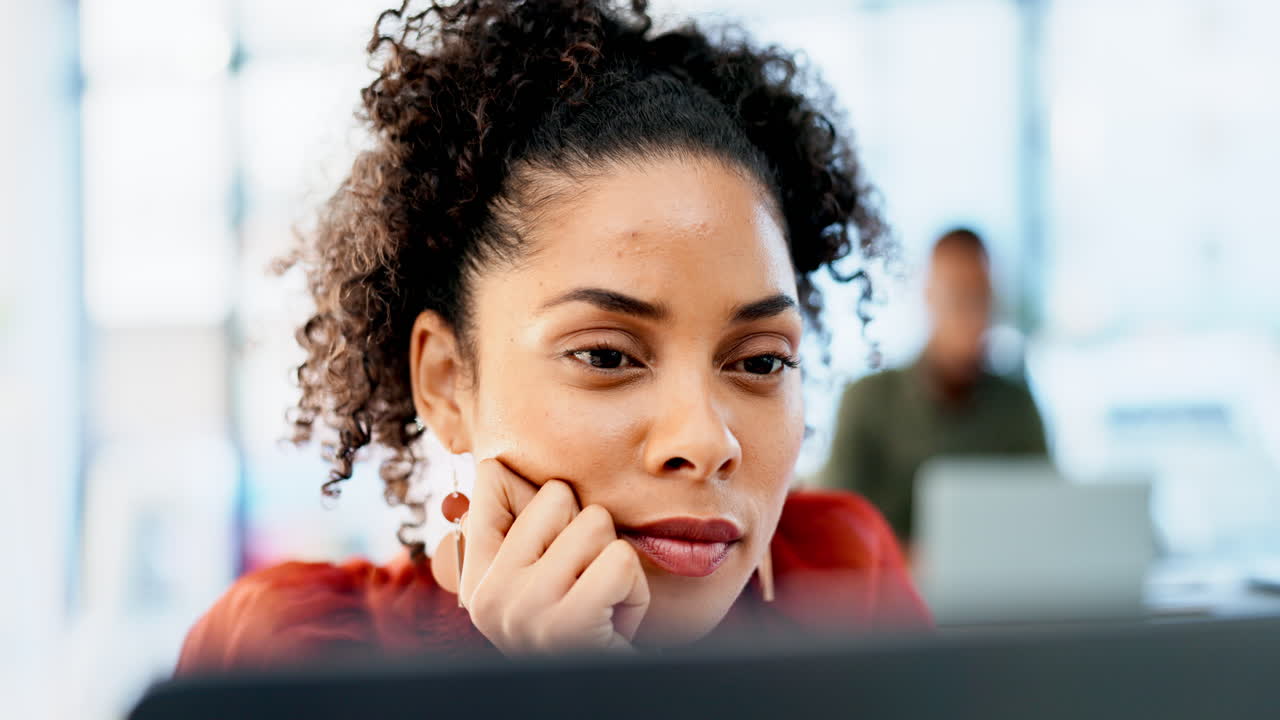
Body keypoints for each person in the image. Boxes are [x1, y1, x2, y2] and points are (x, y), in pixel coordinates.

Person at [176, 0, 929, 674]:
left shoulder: (843, 580)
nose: (706, 441)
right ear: (445, 380)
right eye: (606, 355)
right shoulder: (286, 658)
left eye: (761, 361)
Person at [820, 228, 1049, 548]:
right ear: (929, 297)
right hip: (890, 590)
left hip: (996, 590)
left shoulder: (1018, 405)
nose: (973, 316)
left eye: (982, 299)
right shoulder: (868, 400)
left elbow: (1050, 516)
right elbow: (834, 530)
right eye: (958, 298)